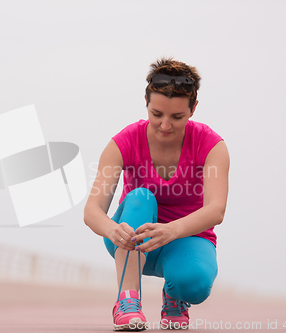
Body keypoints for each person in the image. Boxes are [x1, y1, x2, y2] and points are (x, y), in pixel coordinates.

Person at [84, 57, 230, 330]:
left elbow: (215, 209)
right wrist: (111, 230)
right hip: (131, 239)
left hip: (185, 239)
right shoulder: (123, 142)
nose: (165, 125)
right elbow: (92, 211)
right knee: (141, 197)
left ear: (193, 108)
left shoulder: (211, 145)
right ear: (146, 102)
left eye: (177, 117)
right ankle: (127, 301)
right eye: (156, 114)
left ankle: (175, 298)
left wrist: (171, 230)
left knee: (195, 284)